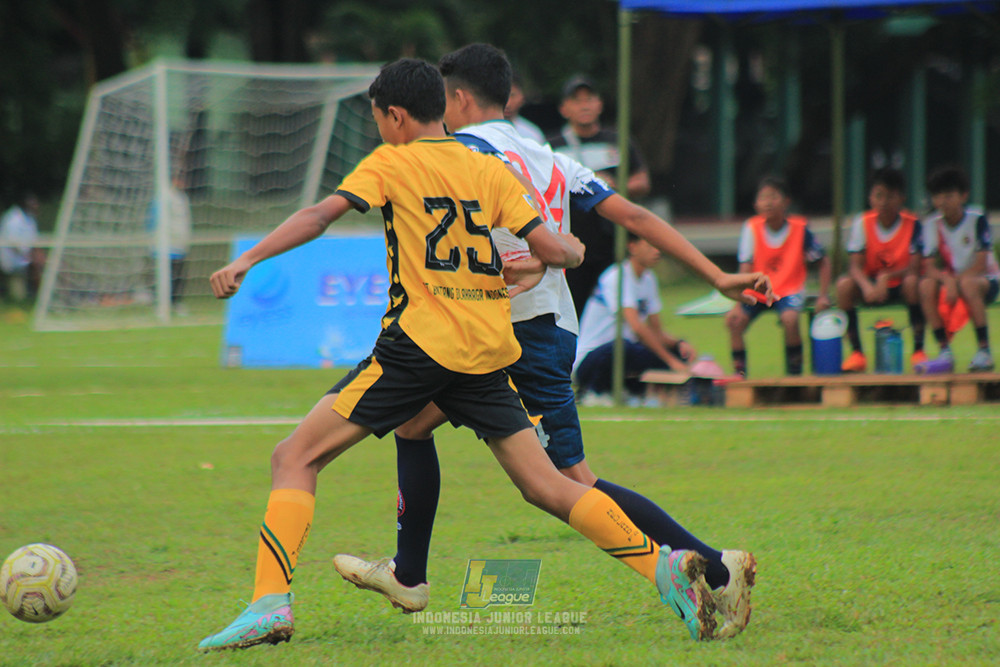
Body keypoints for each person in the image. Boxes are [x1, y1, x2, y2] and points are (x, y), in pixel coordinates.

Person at [198, 58, 719, 651]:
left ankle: (269, 603)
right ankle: (663, 567)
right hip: (485, 348)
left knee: (294, 457)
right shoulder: (487, 169)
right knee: (546, 484)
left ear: (394, 116)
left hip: (418, 346)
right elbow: (551, 248)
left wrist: (247, 260)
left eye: (377, 119)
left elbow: (320, 216)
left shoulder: (392, 163)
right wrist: (568, 250)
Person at [332, 44, 771, 643]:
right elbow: (636, 218)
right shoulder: (553, 156)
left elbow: (514, 239)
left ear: (457, 99)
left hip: (511, 331)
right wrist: (716, 274)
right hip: (541, 326)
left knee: (568, 484)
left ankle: (711, 568)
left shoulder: (463, 152)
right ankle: (408, 574)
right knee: (414, 425)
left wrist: (525, 265)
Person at [548, 74, 652, 318]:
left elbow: (642, 180)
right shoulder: (553, 145)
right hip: (571, 242)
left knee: (614, 312)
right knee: (572, 312)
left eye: (589, 98)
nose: (584, 105)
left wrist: (615, 185)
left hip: (612, 242)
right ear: (564, 108)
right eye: (576, 100)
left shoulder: (616, 141)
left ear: (600, 104)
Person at [725, 176, 831, 377]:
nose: (768, 203)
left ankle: (794, 375)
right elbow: (745, 266)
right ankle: (740, 375)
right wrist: (737, 303)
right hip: (758, 290)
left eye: (773, 197)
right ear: (756, 203)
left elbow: (823, 261)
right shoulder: (752, 228)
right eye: (763, 198)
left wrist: (824, 294)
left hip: (789, 289)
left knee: (790, 319)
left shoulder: (799, 228)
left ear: (786, 201)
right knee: (735, 321)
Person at [574, 232, 695, 403]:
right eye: (650, 246)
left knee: (674, 353)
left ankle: (644, 393)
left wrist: (679, 345)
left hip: (626, 351)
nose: (657, 251)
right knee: (623, 346)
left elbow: (656, 332)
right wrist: (671, 362)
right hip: (593, 358)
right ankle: (593, 393)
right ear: (632, 247)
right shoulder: (616, 277)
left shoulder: (649, 279)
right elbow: (637, 328)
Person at [836, 168, 925, 372]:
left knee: (913, 283)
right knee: (843, 286)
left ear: (901, 198)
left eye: (890, 196)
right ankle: (857, 353)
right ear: (870, 198)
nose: (884, 202)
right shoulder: (862, 223)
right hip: (871, 285)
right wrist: (868, 286)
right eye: (879, 196)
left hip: (900, 284)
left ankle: (919, 351)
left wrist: (887, 277)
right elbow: (855, 266)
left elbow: (915, 265)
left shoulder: (913, 224)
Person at [915, 165, 998, 373]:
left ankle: (984, 351)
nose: (943, 202)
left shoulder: (976, 218)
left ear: (963, 195)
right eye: (938, 196)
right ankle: (944, 350)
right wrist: (948, 281)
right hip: (955, 280)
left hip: (985, 279)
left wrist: (956, 281)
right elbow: (929, 267)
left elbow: (980, 264)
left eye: (949, 195)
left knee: (968, 284)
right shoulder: (932, 224)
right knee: (925, 286)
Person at [146, 176, 193, 310]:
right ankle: (160, 302)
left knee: (178, 275)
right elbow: (153, 219)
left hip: (180, 244)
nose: (183, 183)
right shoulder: (163, 197)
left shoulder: (182, 197)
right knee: (164, 275)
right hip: (164, 245)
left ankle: (176, 302)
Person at [0, 193, 45, 302]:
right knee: (33, 268)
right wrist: (29, 257)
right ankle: (23, 299)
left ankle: (41, 296)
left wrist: (40, 256)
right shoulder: (12, 219)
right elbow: (12, 245)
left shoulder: (30, 219)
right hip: (12, 259)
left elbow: (34, 242)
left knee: (43, 264)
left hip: (25, 258)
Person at [504, 73, 546, 145]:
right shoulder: (481, 129)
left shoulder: (532, 134)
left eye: (512, 95)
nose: (507, 104)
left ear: (522, 97)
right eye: (503, 96)